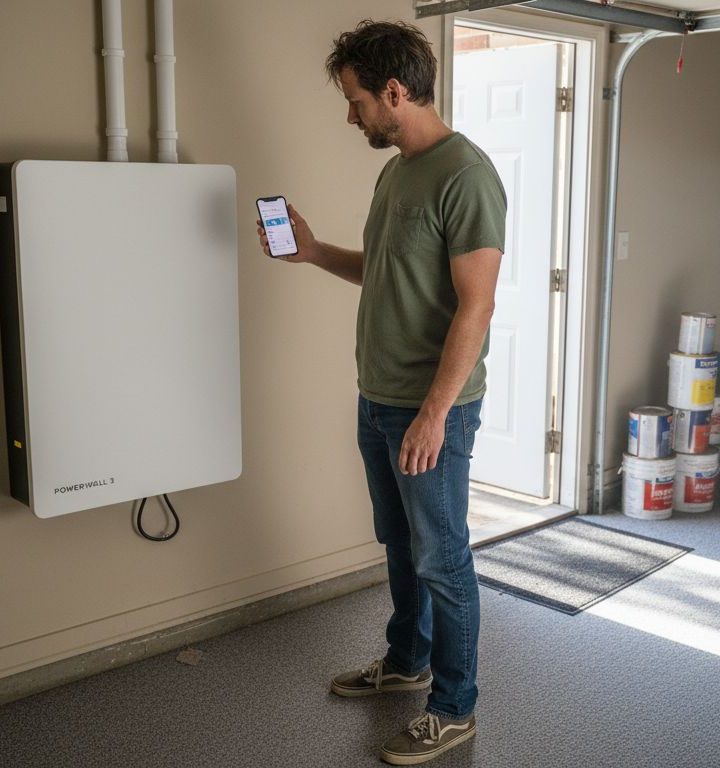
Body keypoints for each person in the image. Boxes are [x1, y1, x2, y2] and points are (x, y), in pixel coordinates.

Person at [255, 19, 506, 766]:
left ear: (395, 91)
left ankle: (454, 708)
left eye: (357, 98)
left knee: (443, 556)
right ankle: (406, 662)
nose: (351, 113)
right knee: (399, 545)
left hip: (433, 410)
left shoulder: (467, 175)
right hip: (380, 398)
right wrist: (310, 252)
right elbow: (388, 271)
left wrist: (433, 414)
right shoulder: (398, 170)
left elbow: (477, 305)